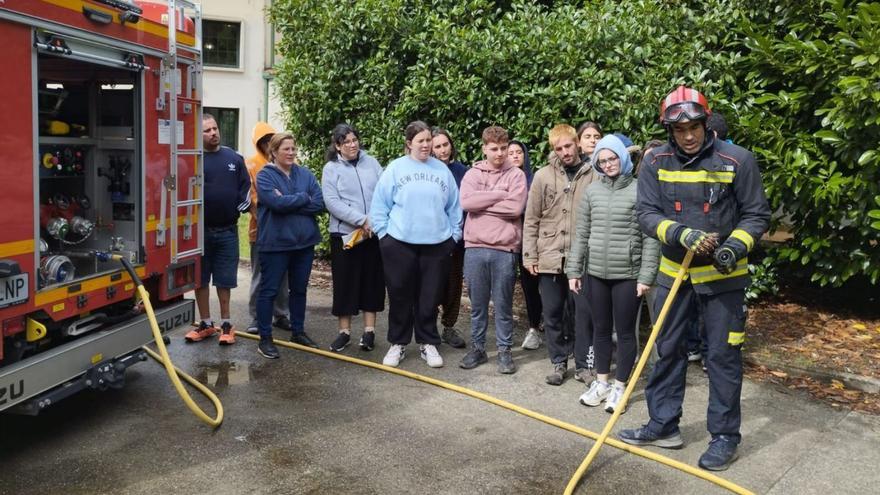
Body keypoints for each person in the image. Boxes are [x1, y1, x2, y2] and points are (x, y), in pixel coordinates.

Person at [619, 86, 770, 472]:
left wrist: (734, 247)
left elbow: (756, 216)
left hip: (724, 280)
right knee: (666, 350)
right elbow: (647, 213)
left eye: (694, 126)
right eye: (679, 128)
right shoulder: (655, 161)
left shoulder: (738, 160)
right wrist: (680, 234)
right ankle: (664, 424)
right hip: (674, 276)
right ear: (669, 129)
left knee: (722, 357)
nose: (688, 135)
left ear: (706, 122)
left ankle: (724, 437)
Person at [566, 134, 659, 413]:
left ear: (623, 158)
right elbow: (581, 234)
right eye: (602, 160)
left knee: (627, 334)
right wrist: (574, 269)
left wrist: (646, 276)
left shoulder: (639, 190)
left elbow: (650, 238)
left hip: (627, 275)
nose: (608, 164)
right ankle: (602, 383)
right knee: (602, 331)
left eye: (612, 158)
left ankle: (621, 388)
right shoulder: (592, 192)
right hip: (595, 273)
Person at [371, 121, 462, 368]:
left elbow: (454, 207)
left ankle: (427, 342)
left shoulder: (442, 171)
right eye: (420, 140)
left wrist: (453, 237)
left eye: (428, 140)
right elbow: (379, 206)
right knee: (400, 294)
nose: (425, 145)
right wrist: (384, 236)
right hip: (399, 244)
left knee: (430, 296)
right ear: (409, 143)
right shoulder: (395, 168)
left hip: (436, 245)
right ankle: (398, 344)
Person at [523, 124, 600, 385]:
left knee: (583, 314)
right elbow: (531, 218)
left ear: (577, 143)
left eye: (568, 146)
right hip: (549, 256)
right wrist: (529, 255)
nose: (565, 152)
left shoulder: (594, 174)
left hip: (582, 257)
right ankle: (558, 362)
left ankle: (583, 366)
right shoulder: (543, 176)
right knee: (553, 312)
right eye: (559, 148)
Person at [458, 126, 528, 374]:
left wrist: (483, 203)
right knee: (477, 305)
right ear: (484, 148)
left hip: (504, 249)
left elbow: (515, 208)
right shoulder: (472, 174)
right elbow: (466, 202)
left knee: (503, 304)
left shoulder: (516, 175)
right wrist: (500, 194)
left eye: (503, 148)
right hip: (475, 248)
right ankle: (478, 348)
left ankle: (505, 351)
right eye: (494, 149)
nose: (499, 153)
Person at [253, 132, 324, 359]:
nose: (292, 153)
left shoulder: (305, 174)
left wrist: (290, 200)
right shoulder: (265, 176)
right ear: (273, 152)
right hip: (275, 244)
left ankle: (298, 331)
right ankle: (265, 338)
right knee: (269, 291)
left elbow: (320, 203)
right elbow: (275, 203)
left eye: (294, 148)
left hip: (304, 244)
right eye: (286, 149)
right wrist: (303, 198)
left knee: (300, 290)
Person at [185, 114, 251, 345]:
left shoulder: (234, 158)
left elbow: (246, 187)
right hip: (199, 233)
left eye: (215, 128)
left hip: (227, 231)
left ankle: (226, 324)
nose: (213, 133)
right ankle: (205, 323)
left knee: (224, 280)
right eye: (207, 130)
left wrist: (243, 206)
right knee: (200, 280)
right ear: (198, 135)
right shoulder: (192, 159)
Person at [322, 123, 385, 353]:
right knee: (345, 283)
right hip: (345, 235)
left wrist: (374, 221)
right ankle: (344, 333)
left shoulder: (372, 163)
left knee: (372, 282)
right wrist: (361, 219)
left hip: (372, 233)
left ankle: (369, 332)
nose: (352, 144)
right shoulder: (331, 169)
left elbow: (383, 193)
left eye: (354, 139)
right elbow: (332, 202)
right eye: (346, 141)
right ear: (337, 146)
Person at [244, 122, 292, 335]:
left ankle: (281, 314)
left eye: (269, 140)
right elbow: (251, 200)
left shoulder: (285, 164)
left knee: (283, 275)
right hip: (261, 231)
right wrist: (265, 218)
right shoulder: (251, 165)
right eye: (262, 141)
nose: (266, 144)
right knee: (260, 275)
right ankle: (256, 316)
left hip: (284, 231)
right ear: (257, 144)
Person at [431, 128, 468, 349]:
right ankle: (429, 327)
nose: (443, 149)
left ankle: (449, 327)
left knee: (453, 285)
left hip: (457, 240)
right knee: (432, 284)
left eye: (446, 144)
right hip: (432, 240)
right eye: (438, 146)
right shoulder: (427, 171)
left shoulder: (462, 171)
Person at [508, 140, 543, 350]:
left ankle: (534, 327)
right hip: (506, 241)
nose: (514, 156)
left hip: (530, 243)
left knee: (532, 286)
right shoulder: (501, 179)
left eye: (518, 152)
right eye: (510, 152)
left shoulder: (534, 180)